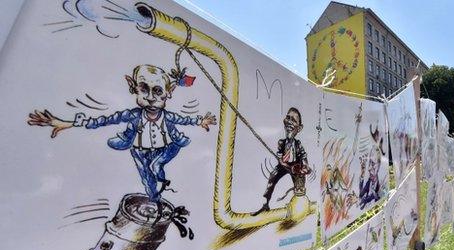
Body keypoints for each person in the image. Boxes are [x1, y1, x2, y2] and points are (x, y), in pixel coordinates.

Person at [27, 64, 216, 203]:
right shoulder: (132, 115)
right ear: (133, 86)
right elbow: (103, 120)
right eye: (144, 89)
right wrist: (66, 123)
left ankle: (159, 171)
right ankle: (155, 202)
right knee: (147, 180)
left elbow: (184, 120)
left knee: (156, 165)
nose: (150, 97)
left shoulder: (167, 117)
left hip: (167, 148)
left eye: (157, 92)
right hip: (139, 150)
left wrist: (201, 121)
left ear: (169, 92)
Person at [254, 107, 310, 215]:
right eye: (288, 118)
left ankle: (298, 206)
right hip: (284, 166)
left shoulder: (298, 145)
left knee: (299, 188)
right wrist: (281, 161)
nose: (289, 122)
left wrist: (305, 166)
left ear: (299, 128)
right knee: (273, 176)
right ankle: (265, 203)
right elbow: (280, 155)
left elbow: (303, 156)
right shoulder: (281, 143)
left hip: (296, 167)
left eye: (293, 120)